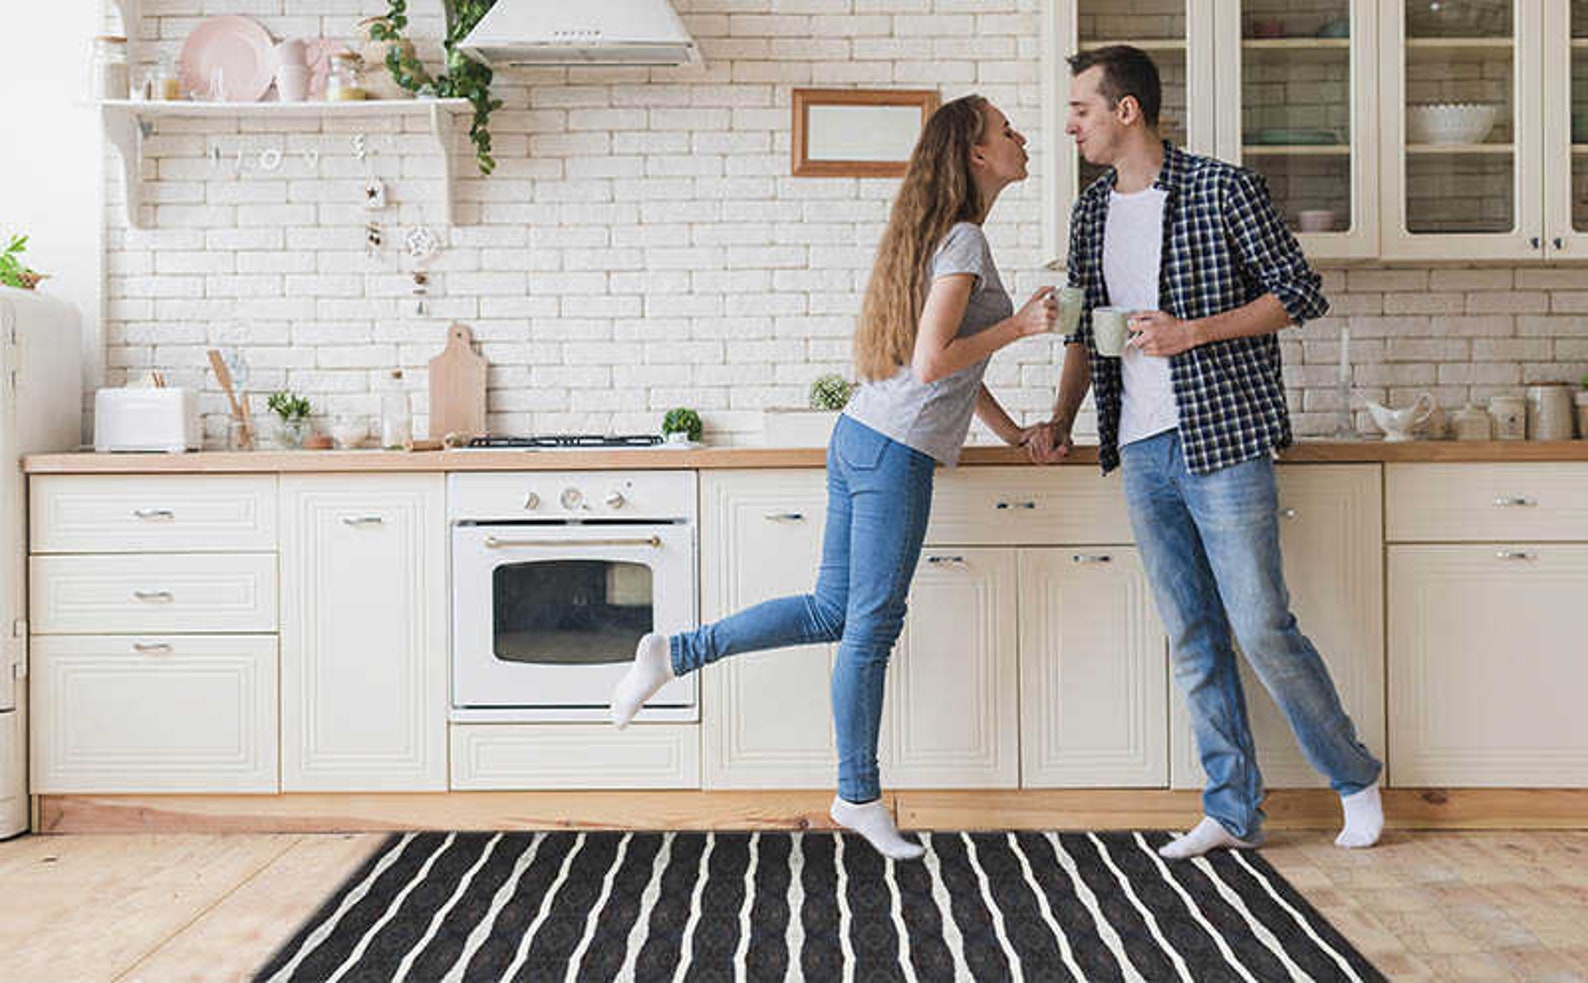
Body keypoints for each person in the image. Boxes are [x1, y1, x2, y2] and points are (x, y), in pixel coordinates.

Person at [611, 94, 1059, 861]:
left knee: (831, 612)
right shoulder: (962, 242)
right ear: (978, 155)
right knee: (869, 627)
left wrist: (1013, 430)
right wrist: (1020, 326)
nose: (1022, 139)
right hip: (891, 450)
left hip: (862, 434)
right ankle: (857, 795)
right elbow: (931, 363)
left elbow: (952, 361)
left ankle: (672, 653)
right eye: (1007, 131)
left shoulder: (948, 236)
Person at [1027, 45, 1384, 859]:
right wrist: (1061, 421)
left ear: (1127, 111)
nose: (1071, 123)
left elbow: (1300, 293)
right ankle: (1231, 807)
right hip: (1140, 447)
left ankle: (1353, 777)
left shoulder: (1224, 188)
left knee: (1261, 625)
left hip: (1223, 435)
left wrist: (1194, 332)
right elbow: (1086, 331)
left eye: (1082, 108)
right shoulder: (1089, 214)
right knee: (1191, 634)